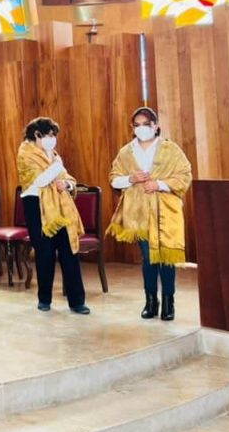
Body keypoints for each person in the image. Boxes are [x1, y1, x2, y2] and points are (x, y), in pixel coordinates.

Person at [106, 107, 192, 321]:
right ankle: (151, 301)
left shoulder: (170, 149)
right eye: (137, 125)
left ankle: (169, 302)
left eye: (146, 124)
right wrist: (131, 179)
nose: (142, 128)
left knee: (166, 258)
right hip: (139, 213)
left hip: (166, 212)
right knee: (149, 258)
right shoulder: (126, 152)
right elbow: (114, 179)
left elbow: (184, 175)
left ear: (155, 126)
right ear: (132, 128)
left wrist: (159, 184)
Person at [17, 116, 90, 315]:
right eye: (49, 135)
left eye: (54, 136)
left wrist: (67, 184)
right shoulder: (25, 153)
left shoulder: (53, 155)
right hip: (36, 206)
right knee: (45, 253)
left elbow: (68, 178)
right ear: (37, 134)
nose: (52, 139)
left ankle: (77, 301)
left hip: (60, 207)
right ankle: (44, 299)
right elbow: (39, 181)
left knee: (69, 252)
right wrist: (58, 166)